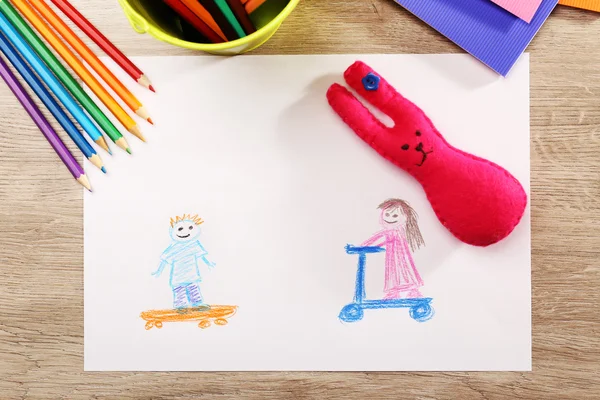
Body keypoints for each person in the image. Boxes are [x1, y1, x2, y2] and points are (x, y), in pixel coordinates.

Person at [362, 199, 426, 299]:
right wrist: (364, 245)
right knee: (394, 275)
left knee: (403, 274)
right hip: (393, 258)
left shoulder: (395, 231)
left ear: (405, 217)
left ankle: (412, 292)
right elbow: (377, 238)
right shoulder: (391, 231)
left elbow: (382, 240)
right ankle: (395, 293)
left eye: (395, 216)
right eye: (387, 214)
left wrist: (365, 246)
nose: (390, 218)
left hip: (400, 259)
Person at [153, 214, 215, 309]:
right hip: (178, 276)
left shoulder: (194, 245)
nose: (186, 232)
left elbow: (202, 256)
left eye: (190, 227)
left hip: (191, 274)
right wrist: (158, 271)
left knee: (194, 289)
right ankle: (181, 306)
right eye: (180, 229)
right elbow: (164, 260)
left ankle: (197, 304)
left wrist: (208, 263)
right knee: (179, 291)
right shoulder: (173, 248)